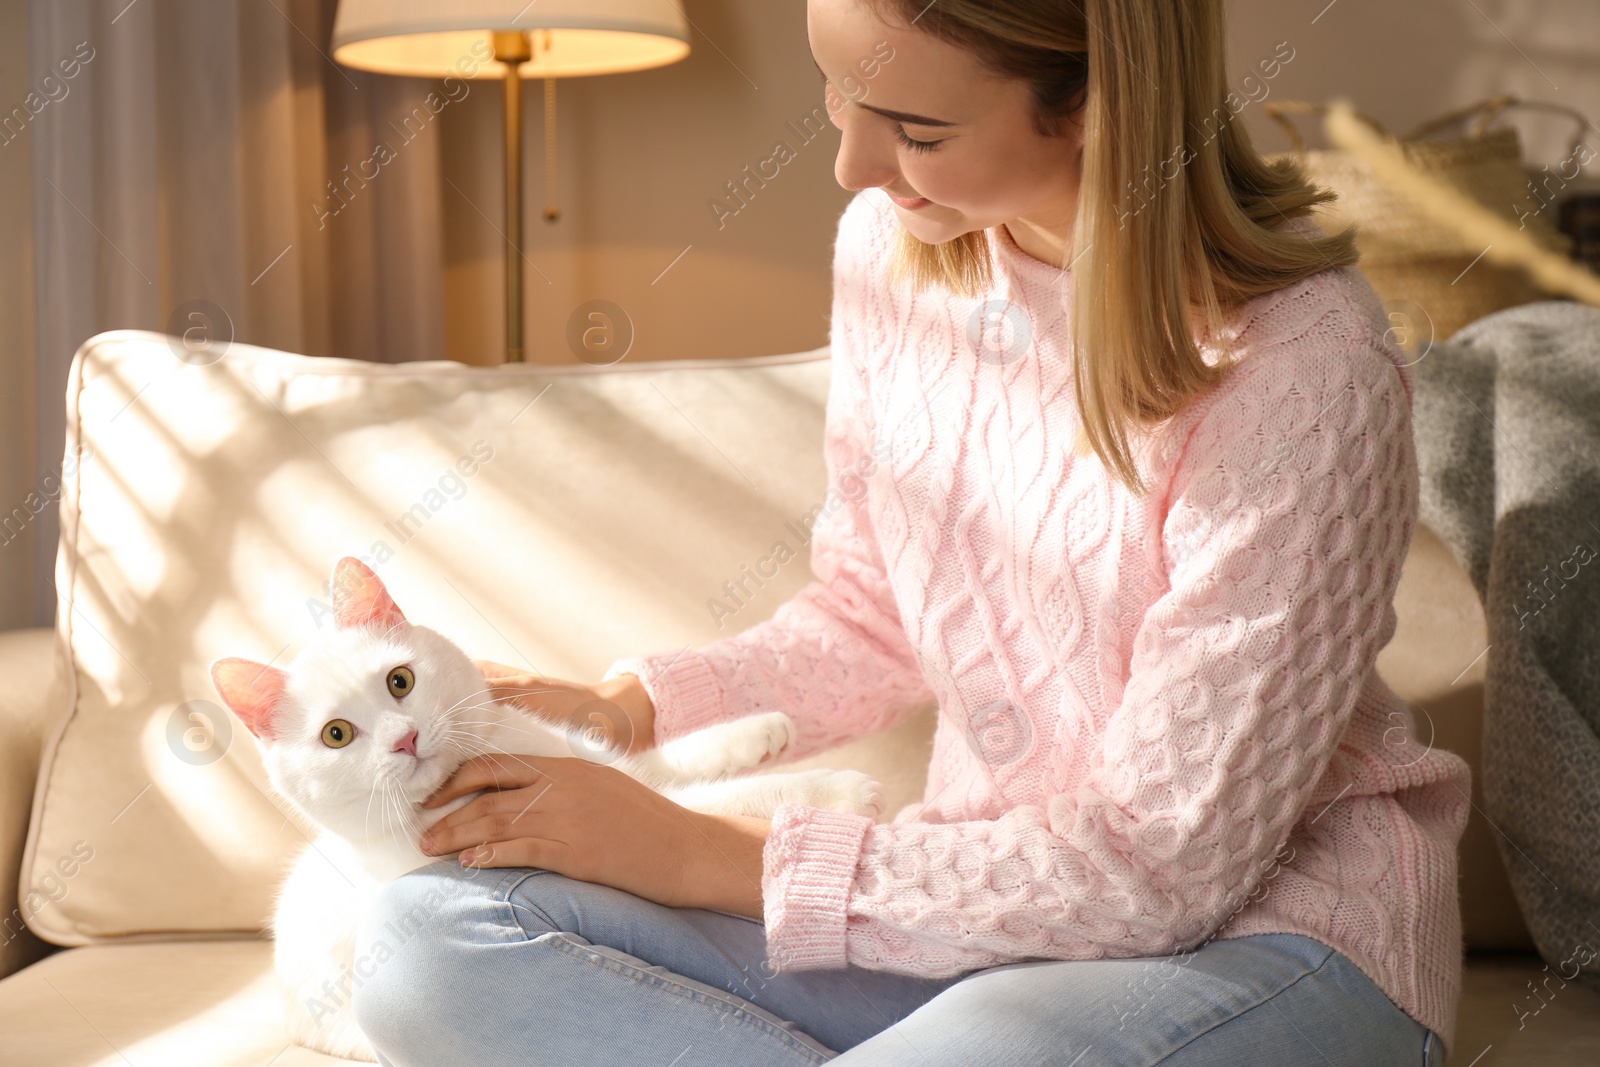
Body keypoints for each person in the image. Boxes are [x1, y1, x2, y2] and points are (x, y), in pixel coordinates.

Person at [351, 1, 1471, 1063]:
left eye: (917, 130)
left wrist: (698, 852)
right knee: (423, 947)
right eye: (837, 95)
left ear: (1097, 103)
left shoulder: (1305, 366)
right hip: (973, 913)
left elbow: (1157, 865)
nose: (854, 166)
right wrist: (631, 708)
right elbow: (874, 609)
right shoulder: (891, 253)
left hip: (1260, 938)